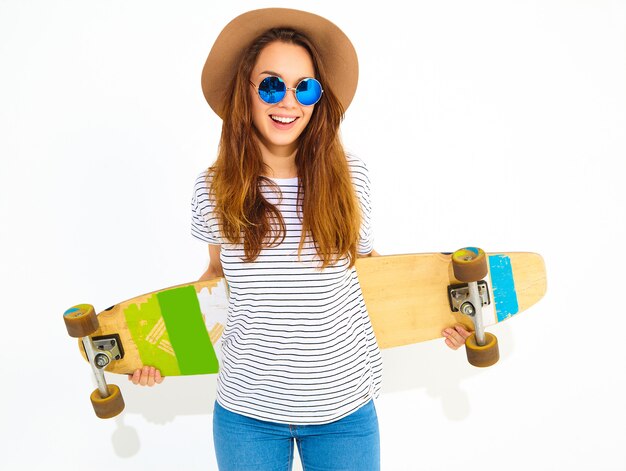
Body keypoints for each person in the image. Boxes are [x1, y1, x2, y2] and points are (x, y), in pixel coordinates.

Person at [129, 8, 471, 470]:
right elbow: (216, 283)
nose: (288, 102)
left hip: (344, 410)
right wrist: (154, 353)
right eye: (271, 85)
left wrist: (440, 316)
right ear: (244, 94)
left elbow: (370, 272)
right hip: (247, 412)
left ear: (318, 100)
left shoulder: (353, 178)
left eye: (304, 87)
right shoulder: (213, 187)